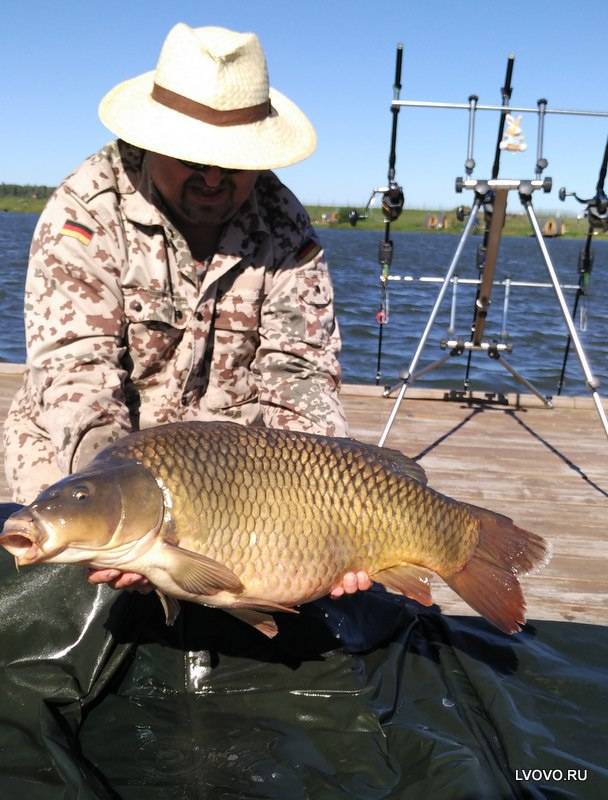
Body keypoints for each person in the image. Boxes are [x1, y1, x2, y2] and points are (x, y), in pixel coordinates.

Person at [3, 24, 375, 602]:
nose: (211, 177)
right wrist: (122, 508)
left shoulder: (285, 226)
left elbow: (300, 378)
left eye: (232, 162)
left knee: (289, 577)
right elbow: (75, 375)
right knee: (81, 578)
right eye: (191, 158)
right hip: (90, 452)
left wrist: (321, 521)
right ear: (151, 140)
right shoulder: (84, 211)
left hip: (232, 473)